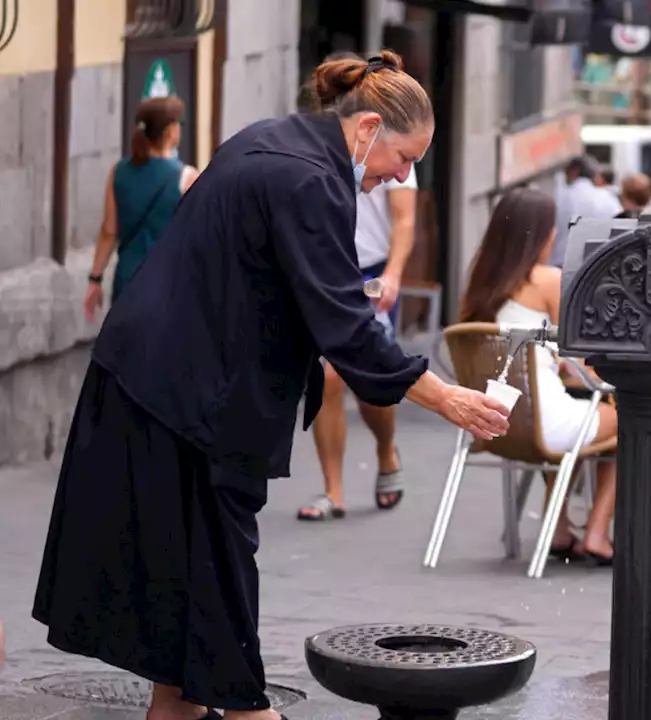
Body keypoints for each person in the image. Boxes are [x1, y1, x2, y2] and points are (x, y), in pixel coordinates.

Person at [33, 52, 509, 720]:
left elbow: (263, 273)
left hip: (160, 379)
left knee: (187, 581)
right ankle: (246, 709)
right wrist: (446, 395)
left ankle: (182, 704)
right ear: (367, 125)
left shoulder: (273, 140)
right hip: (184, 393)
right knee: (215, 570)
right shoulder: (308, 178)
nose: (404, 176)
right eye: (403, 157)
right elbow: (345, 325)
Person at [460, 187, 620, 563]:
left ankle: (560, 528)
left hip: (496, 422)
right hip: (541, 420)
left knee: (579, 417)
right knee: (630, 419)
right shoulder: (548, 280)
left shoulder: (479, 285)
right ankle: (596, 533)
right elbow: (583, 353)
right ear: (542, 235)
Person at [295, 52, 418, 521]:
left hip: (372, 272)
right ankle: (333, 489)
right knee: (326, 378)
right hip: (333, 268)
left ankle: (387, 450)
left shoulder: (395, 150)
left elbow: (405, 222)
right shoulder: (328, 146)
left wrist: (393, 277)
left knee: (370, 381)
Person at [84, 96, 200, 320]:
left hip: (127, 281)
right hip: (169, 285)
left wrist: (95, 279)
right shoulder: (187, 178)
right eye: (179, 123)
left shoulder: (118, 172)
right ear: (170, 131)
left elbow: (109, 231)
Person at [550, 155, 621, 267]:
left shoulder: (559, 197)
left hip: (560, 265)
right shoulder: (609, 199)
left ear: (574, 171)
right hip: (595, 265)